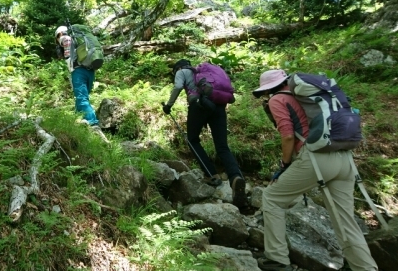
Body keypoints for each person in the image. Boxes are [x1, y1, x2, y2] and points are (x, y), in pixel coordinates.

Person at [252, 69, 378, 271]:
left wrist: (284, 165)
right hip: (344, 158)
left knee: (272, 198)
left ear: (268, 89)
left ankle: (277, 259)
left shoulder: (277, 99)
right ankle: (365, 268)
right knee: (345, 220)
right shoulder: (312, 96)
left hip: (316, 159)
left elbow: (287, 136)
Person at [162, 59, 247, 207]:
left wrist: (168, 106)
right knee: (222, 146)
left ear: (178, 68)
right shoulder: (201, 73)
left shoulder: (182, 72)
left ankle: (211, 174)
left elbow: (177, 87)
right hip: (219, 107)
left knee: (192, 140)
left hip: (199, 106)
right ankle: (235, 177)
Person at [55, 25, 99, 128]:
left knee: (81, 98)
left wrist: (68, 59)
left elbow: (66, 43)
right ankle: (78, 119)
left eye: (57, 38)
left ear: (60, 33)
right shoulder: (79, 39)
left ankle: (93, 122)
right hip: (90, 70)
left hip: (78, 71)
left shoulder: (64, 37)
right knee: (83, 97)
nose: (58, 41)